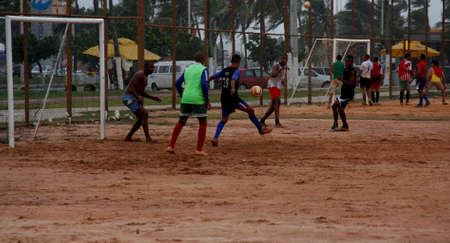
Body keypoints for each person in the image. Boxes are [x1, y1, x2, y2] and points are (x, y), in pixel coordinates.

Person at [209, 54, 272, 147]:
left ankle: (215, 138)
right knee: (250, 110)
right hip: (233, 98)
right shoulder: (237, 71)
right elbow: (233, 79)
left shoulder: (224, 70)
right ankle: (261, 130)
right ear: (238, 61)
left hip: (224, 98)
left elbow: (213, 76)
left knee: (224, 119)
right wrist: (233, 88)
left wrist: (206, 81)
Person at [167, 52, 210, 156]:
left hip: (186, 99)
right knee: (203, 123)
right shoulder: (203, 69)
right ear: (204, 60)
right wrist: (207, 100)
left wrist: (182, 94)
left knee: (181, 121)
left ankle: (171, 146)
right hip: (198, 99)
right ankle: (199, 149)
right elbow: (204, 84)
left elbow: (177, 83)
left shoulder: (187, 69)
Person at [122, 62, 162, 142]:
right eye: (151, 67)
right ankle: (148, 138)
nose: (152, 69)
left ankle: (128, 137)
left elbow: (141, 92)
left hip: (133, 97)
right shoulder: (139, 74)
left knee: (142, 118)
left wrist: (152, 97)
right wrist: (137, 98)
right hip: (129, 98)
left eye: (153, 67)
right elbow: (131, 86)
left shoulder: (145, 77)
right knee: (143, 114)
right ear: (146, 67)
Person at [260, 55, 288, 128]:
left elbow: (281, 79)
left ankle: (262, 120)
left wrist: (284, 83)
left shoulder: (284, 67)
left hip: (277, 86)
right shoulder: (277, 66)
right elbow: (273, 74)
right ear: (281, 59)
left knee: (273, 107)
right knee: (277, 101)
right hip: (272, 85)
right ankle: (277, 122)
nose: (284, 60)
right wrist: (281, 69)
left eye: (286, 59)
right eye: (283, 58)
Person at [331, 55, 357, 132]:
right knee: (337, 108)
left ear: (351, 62)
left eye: (348, 61)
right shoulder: (345, 69)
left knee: (337, 107)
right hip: (344, 93)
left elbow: (352, 83)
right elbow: (335, 71)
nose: (346, 62)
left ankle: (342, 125)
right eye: (346, 61)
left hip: (348, 94)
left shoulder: (352, 71)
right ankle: (339, 124)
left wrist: (341, 79)